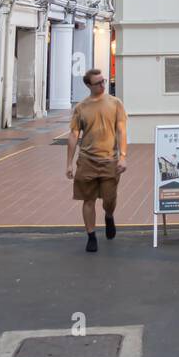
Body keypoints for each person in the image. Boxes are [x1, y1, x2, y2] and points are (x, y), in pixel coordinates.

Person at [66, 68, 128, 253]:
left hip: (109, 159)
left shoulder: (115, 103)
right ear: (88, 85)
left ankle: (109, 216)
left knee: (109, 199)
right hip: (86, 160)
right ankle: (91, 236)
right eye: (98, 83)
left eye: (103, 81)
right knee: (88, 199)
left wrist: (123, 156)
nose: (102, 85)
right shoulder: (81, 107)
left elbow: (121, 130)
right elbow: (73, 134)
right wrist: (69, 163)